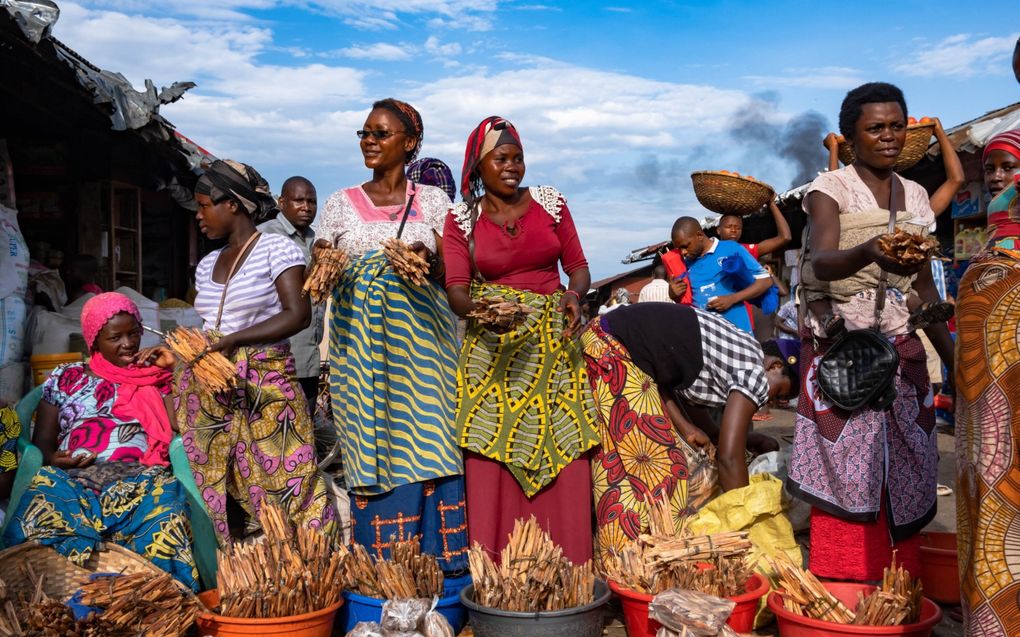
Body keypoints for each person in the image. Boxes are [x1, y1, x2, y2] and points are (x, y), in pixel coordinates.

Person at [787, 82, 954, 582]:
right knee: (846, 469)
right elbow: (824, 258)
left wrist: (954, 360)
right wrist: (869, 251)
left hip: (902, 352)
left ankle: (895, 587)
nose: (888, 137)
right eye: (875, 128)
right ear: (850, 136)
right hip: (846, 353)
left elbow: (922, 290)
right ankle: (844, 586)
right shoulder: (829, 189)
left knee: (908, 461)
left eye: (896, 126)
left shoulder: (917, 196)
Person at [317, 99, 467, 571]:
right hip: (360, 354)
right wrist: (325, 258)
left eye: (380, 134)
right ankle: (382, 567)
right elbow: (319, 262)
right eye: (364, 133)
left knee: (433, 439)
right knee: (370, 440)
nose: (369, 141)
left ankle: (443, 567)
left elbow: (455, 271)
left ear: (410, 143)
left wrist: (428, 254)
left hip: (424, 353)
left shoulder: (436, 202)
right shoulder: (340, 203)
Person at [443, 116, 599, 563]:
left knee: (564, 440)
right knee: (493, 449)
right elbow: (456, 289)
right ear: (479, 164)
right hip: (492, 353)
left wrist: (573, 294)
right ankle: (496, 565)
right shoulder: (462, 219)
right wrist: (484, 312)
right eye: (501, 158)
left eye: (518, 158)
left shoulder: (550, 204)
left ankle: (567, 562)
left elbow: (578, 265)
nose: (512, 166)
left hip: (552, 345)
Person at [178, 159, 337, 544]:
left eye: (204, 205)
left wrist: (236, 340)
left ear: (231, 204)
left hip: (267, 384)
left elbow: (297, 315)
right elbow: (210, 326)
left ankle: (316, 566)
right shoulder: (207, 264)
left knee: (292, 477)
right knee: (225, 482)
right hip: (215, 388)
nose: (199, 216)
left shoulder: (276, 249)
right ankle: (251, 568)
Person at [1, 292, 198, 589]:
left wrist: (173, 370)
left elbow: (177, 424)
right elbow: (42, 441)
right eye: (115, 337)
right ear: (94, 340)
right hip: (74, 476)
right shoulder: (66, 377)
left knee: (167, 510)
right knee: (40, 503)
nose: (128, 344)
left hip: (140, 475)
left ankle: (159, 598)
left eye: (134, 334)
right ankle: (44, 595)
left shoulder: (154, 376)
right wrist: (54, 459)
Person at [580, 302, 795, 564]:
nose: (770, 402)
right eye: (780, 392)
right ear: (774, 366)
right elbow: (729, 457)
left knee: (637, 464)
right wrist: (741, 517)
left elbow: (663, 374)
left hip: (611, 343)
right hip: (613, 348)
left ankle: (632, 557)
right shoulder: (755, 373)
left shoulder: (736, 352)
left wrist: (691, 427)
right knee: (657, 469)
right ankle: (632, 562)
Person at [810, 117, 964, 336]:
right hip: (860, 308)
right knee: (811, 288)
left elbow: (956, 180)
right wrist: (834, 149)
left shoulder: (918, 207)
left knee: (905, 291)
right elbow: (833, 189)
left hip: (902, 311)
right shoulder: (857, 208)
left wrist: (939, 131)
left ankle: (923, 310)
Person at [956, 128, 1020, 636]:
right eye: (990, 169)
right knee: (988, 513)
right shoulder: (989, 250)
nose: (998, 178)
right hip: (985, 423)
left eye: (1008, 167)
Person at [257, 176, 325, 409]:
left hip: (308, 357)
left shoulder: (317, 241)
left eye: (312, 201)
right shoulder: (264, 237)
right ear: (282, 202)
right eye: (298, 201)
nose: (306, 207)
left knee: (306, 424)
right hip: (274, 356)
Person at [670, 216, 771, 333]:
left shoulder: (730, 248)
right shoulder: (685, 263)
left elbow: (765, 281)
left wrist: (732, 298)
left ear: (699, 235)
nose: (683, 252)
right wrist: (673, 294)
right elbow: (686, 300)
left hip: (737, 332)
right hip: (705, 335)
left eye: (686, 245)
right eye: (679, 249)